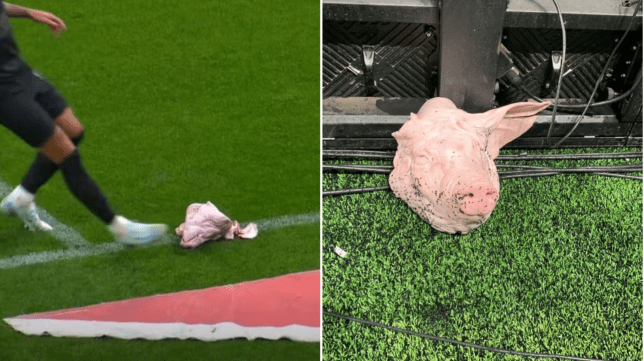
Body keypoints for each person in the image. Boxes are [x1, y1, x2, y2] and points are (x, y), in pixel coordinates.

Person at [0, 2, 167, 245]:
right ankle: (119, 227)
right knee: (66, 154)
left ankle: (23, 197)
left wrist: (28, 13)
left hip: (20, 73)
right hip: (6, 95)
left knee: (73, 131)